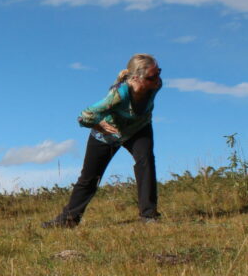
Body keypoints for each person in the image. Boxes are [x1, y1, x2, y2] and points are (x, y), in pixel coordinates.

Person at [42, 54, 163, 228]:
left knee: (146, 162)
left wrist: (153, 80)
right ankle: (67, 220)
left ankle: (149, 216)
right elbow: (84, 116)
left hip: (138, 129)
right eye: (152, 76)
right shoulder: (118, 94)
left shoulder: (156, 85)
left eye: (159, 72)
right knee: (90, 178)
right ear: (136, 77)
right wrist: (99, 126)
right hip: (107, 135)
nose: (157, 80)